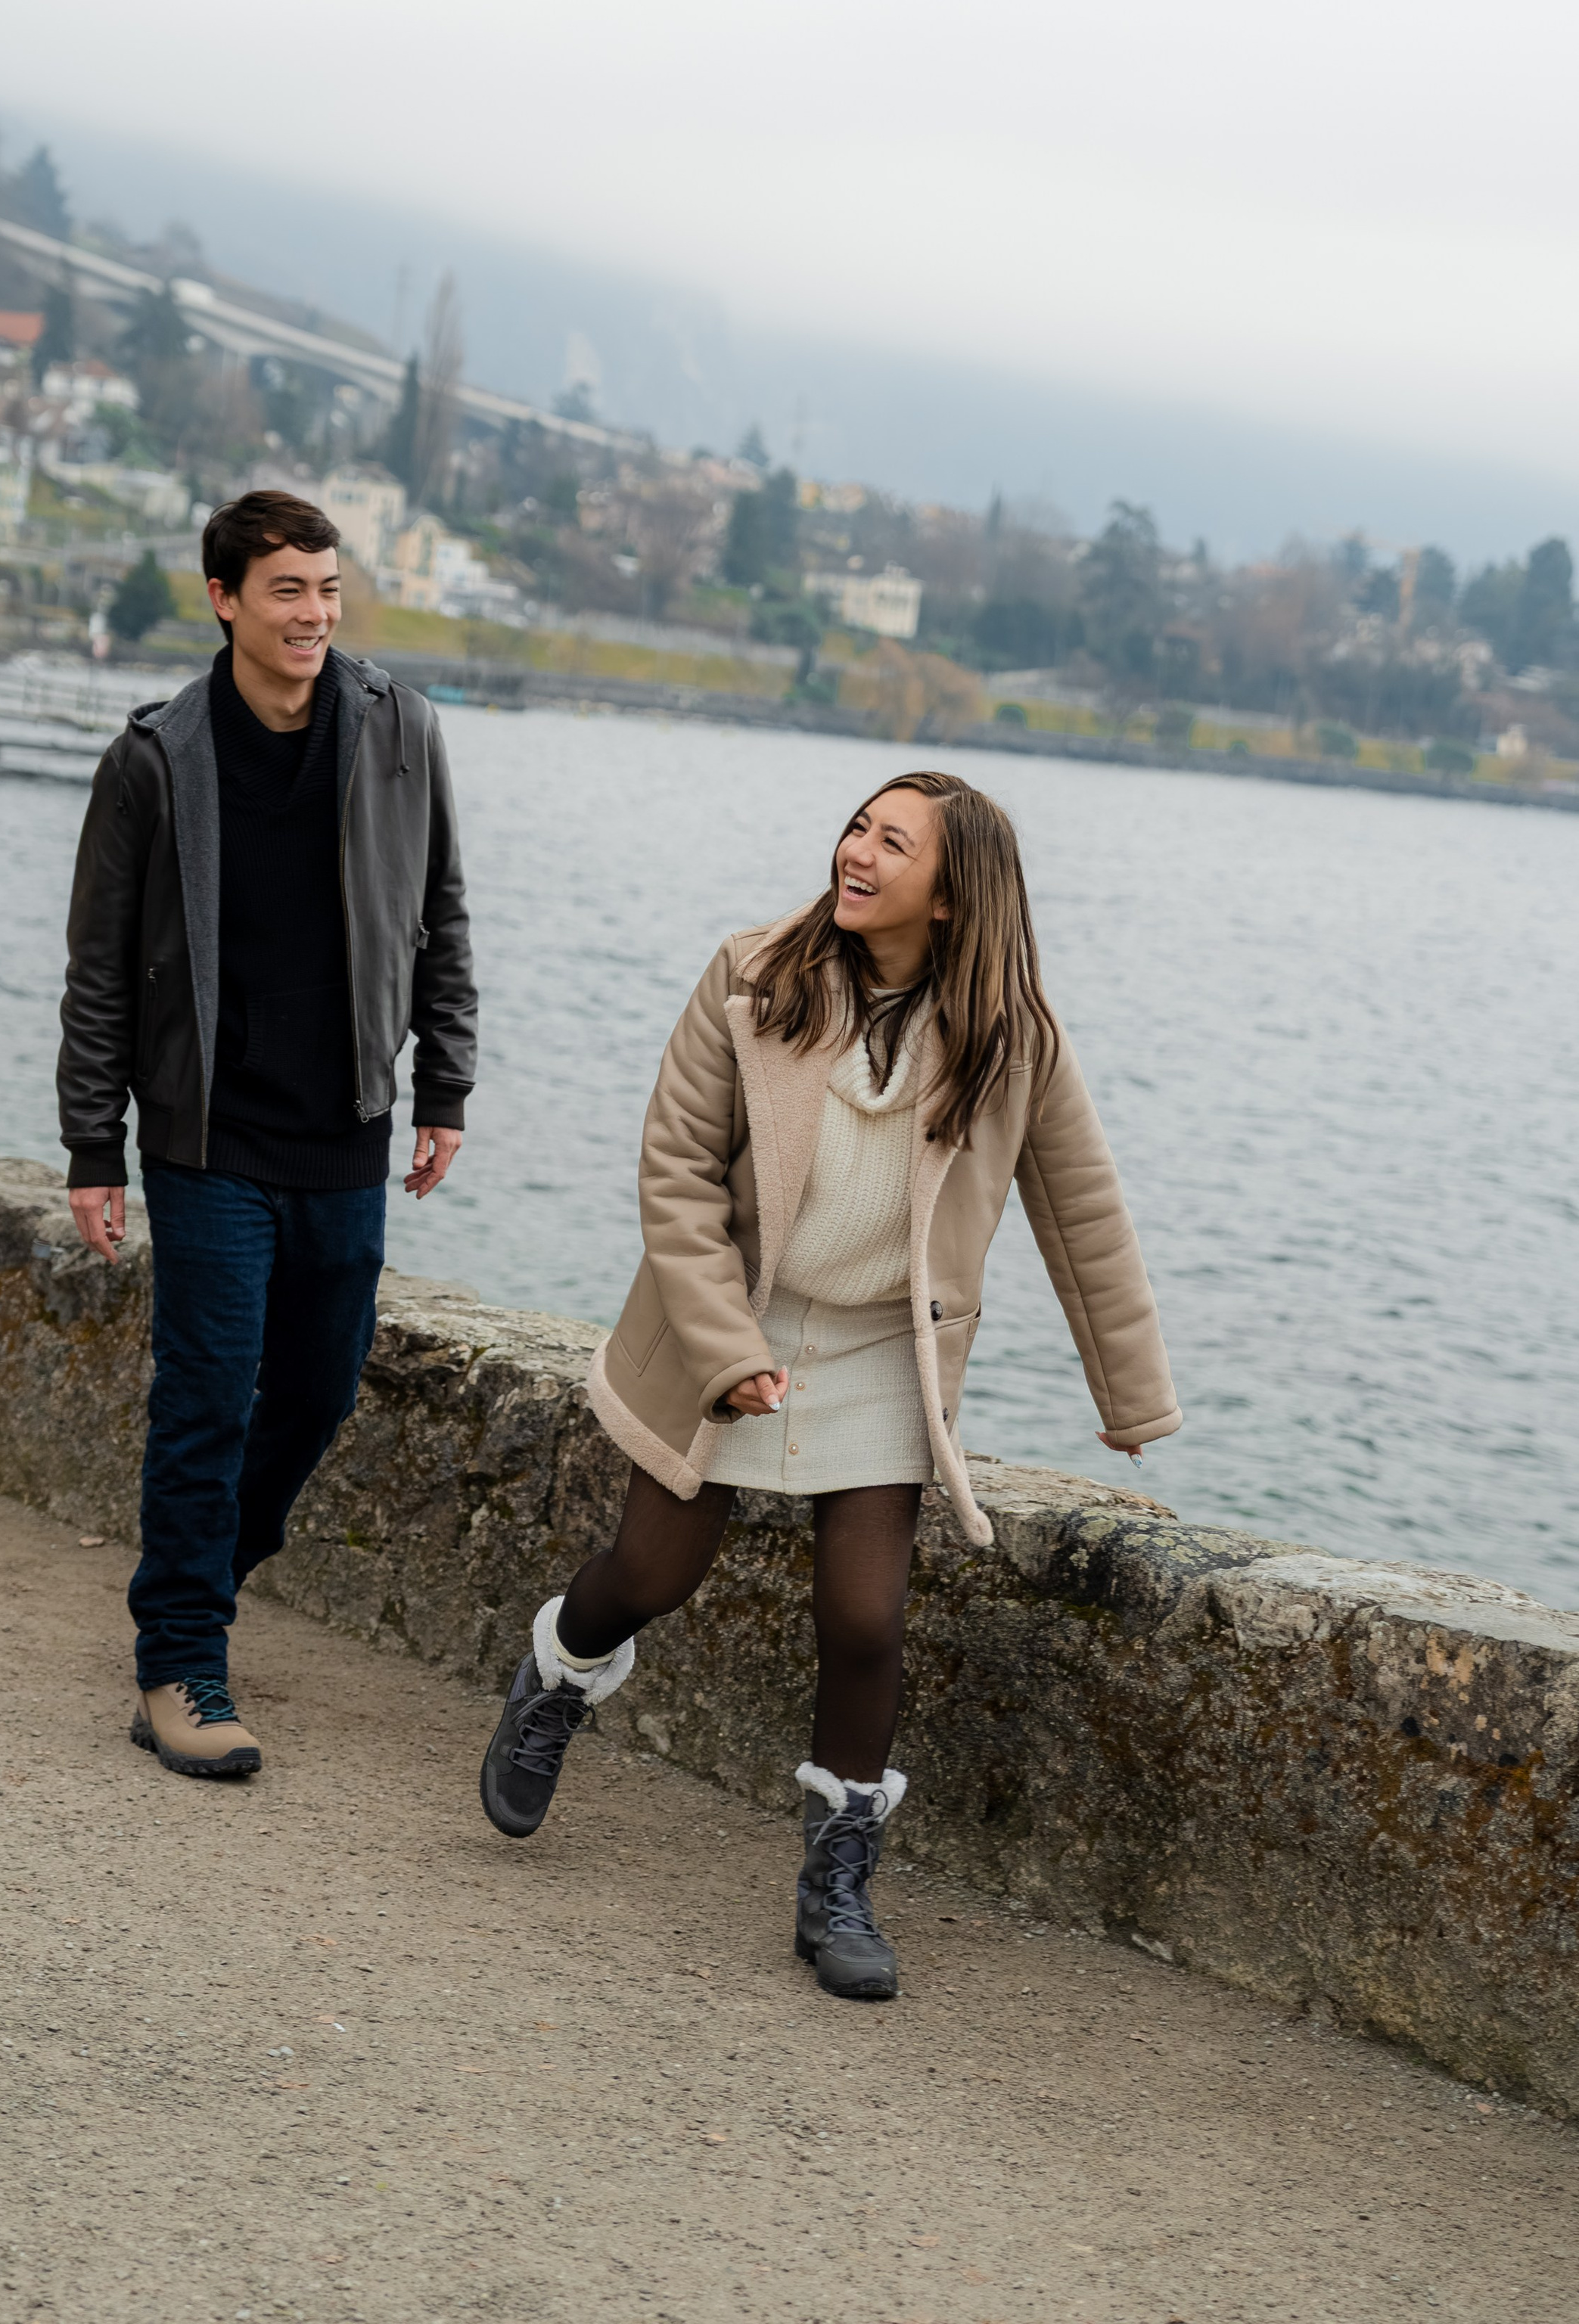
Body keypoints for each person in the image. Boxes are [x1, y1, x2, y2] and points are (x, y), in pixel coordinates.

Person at [479, 770, 1178, 2001]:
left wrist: (1131, 1398)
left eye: (892, 843)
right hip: (731, 1318)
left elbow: (1083, 1216)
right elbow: (677, 1177)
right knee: (650, 1575)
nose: (857, 851)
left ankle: (839, 1881)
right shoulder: (753, 976)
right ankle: (559, 1673)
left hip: (882, 1351)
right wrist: (727, 1350)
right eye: (859, 827)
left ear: (953, 895)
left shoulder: (1014, 1036)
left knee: (865, 1621)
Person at [58, 489, 477, 1780]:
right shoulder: (153, 759)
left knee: (317, 1388)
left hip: (346, 1125)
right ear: (225, 600)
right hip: (207, 1135)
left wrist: (446, 1086)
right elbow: (100, 970)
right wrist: (92, 1146)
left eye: (329, 589)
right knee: (205, 1396)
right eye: (287, 589)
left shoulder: (400, 729)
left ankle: (197, 1572)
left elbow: (442, 913)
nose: (314, 613)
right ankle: (180, 1664)